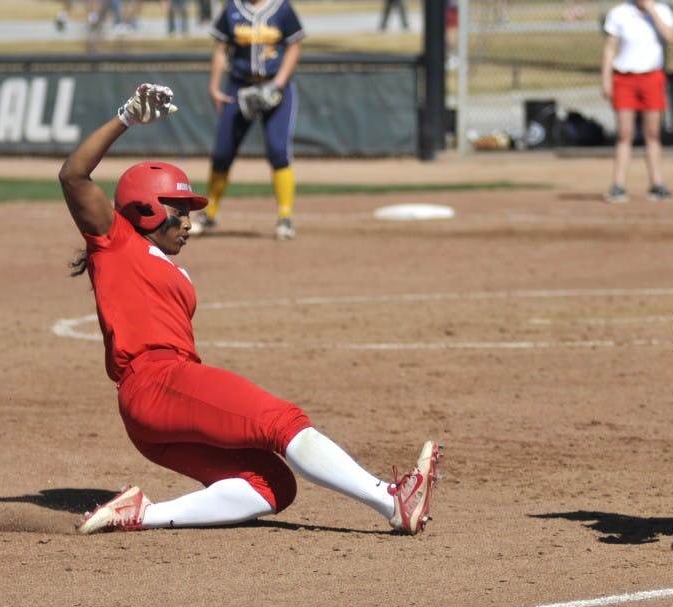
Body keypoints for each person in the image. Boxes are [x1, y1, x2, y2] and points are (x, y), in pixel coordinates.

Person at [60, 83, 441, 536]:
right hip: (158, 381)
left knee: (273, 483)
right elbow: (73, 176)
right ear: (144, 209)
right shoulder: (115, 241)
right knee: (283, 422)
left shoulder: (160, 264)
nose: (189, 222)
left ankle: (141, 514)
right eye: (179, 211)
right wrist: (125, 117)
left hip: (149, 409)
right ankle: (391, 500)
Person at [191, 0, 304, 240]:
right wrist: (214, 87)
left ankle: (285, 217)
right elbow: (220, 49)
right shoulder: (232, 8)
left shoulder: (281, 7)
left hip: (276, 87)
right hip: (240, 87)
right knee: (222, 152)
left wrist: (278, 83)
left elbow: (294, 46)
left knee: (277, 151)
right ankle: (209, 212)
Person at [600, 0, 673, 203]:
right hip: (625, 78)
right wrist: (606, 79)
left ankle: (657, 184)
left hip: (651, 77)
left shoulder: (662, 10)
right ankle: (618, 185)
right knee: (625, 134)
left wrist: (651, 10)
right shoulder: (619, 13)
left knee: (653, 134)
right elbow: (610, 48)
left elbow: (669, 36)